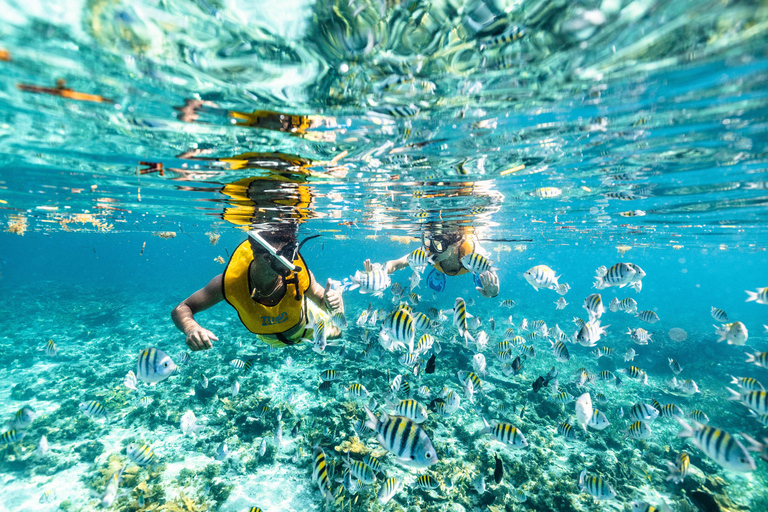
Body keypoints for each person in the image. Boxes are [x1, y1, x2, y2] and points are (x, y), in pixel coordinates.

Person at [172, 225, 344, 351]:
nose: (291, 263)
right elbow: (181, 308)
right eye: (286, 255)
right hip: (268, 339)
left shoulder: (298, 274)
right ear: (263, 256)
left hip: (306, 326)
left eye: (292, 252)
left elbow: (322, 299)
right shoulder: (230, 282)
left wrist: (332, 300)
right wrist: (191, 328)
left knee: (340, 333)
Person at [364, 227, 500, 298]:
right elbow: (397, 264)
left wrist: (493, 292)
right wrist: (379, 271)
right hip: (441, 268)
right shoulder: (428, 251)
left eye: (439, 245)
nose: (433, 250)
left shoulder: (471, 252)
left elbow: (489, 269)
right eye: (431, 242)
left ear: (455, 245)